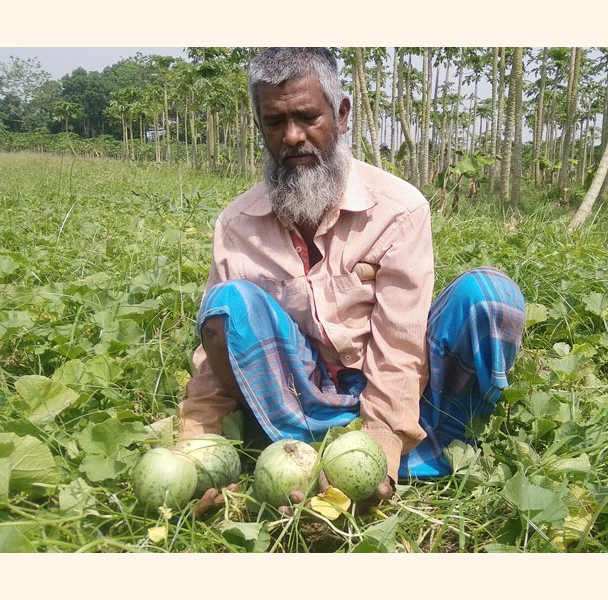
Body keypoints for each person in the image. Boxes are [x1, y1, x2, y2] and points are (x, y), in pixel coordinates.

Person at [177, 47, 525, 517]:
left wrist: (377, 447)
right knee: (226, 306)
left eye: (307, 116)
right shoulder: (238, 224)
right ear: (260, 125)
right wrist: (197, 450)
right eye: (275, 122)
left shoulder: (399, 210)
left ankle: (418, 440)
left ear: (340, 113)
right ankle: (301, 447)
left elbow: (401, 345)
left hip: (401, 388)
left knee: (490, 298)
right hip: (305, 393)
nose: (293, 136)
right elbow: (212, 356)